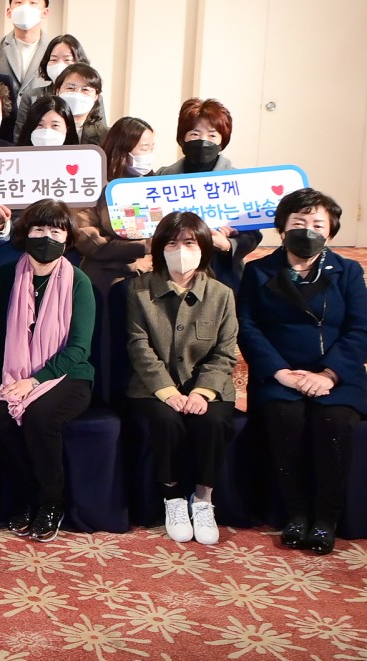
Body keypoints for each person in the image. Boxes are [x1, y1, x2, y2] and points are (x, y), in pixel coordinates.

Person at [237, 189, 367, 555]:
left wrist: (329, 374)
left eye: (318, 224)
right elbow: (248, 327)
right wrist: (279, 372)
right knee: (285, 416)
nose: (308, 231)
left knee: (334, 421)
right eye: (299, 222)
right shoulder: (258, 271)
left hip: (335, 375)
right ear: (282, 228)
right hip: (281, 374)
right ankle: (296, 513)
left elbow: (362, 329)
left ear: (330, 231)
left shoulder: (348, 271)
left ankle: (327, 518)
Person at [0, 198, 96, 543]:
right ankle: (25, 496)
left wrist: (34, 381)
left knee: (40, 416)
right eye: (39, 228)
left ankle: (51, 502)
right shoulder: (7, 275)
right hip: (14, 372)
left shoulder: (79, 282)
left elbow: (79, 348)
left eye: (56, 231)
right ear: (25, 233)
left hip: (69, 375)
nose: (47, 237)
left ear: (67, 238)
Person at [125, 212, 239, 547]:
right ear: (160, 248)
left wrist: (202, 392)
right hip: (153, 387)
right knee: (165, 421)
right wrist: (167, 391)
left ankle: (203, 499)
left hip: (208, 386)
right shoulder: (139, 289)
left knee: (214, 422)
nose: (181, 251)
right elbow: (139, 345)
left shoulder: (221, 294)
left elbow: (225, 352)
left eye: (189, 243)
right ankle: (172, 497)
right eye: (172, 243)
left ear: (203, 247)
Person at [154, 99, 261, 291]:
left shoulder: (239, 181)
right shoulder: (163, 177)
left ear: (222, 141)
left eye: (212, 135)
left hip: (221, 273)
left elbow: (253, 233)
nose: (203, 141)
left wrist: (228, 244)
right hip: (170, 271)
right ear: (183, 138)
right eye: (194, 134)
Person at [74, 117, 159, 295]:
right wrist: (143, 247)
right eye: (144, 149)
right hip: (106, 279)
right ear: (123, 149)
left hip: (148, 280)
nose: (149, 155)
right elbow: (87, 238)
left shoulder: (155, 186)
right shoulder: (94, 184)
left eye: (152, 148)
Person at [13, 34, 87, 141]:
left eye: (67, 60)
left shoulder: (89, 97)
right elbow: (19, 136)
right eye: (53, 59)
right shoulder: (31, 96)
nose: (59, 65)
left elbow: (100, 134)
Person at [0, 0, 51, 91]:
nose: (25, 7)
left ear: (45, 13)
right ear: (9, 12)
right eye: (19, 2)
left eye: (33, 3)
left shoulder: (54, 51)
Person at [53, 63, 109, 146]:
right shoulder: (43, 129)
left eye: (85, 89)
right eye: (70, 88)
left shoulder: (106, 135)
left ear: (96, 96)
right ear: (58, 91)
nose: (77, 94)